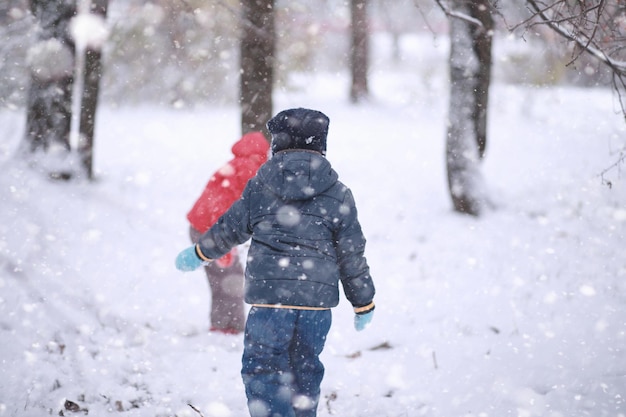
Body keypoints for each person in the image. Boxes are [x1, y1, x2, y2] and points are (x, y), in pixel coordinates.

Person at [175, 108, 376, 417]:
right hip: (316, 304)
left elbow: (231, 227)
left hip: (270, 302)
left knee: (263, 369)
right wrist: (363, 301)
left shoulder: (260, 186)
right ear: (321, 144)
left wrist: (201, 252)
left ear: (277, 144)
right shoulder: (338, 193)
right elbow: (351, 252)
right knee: (305, 370)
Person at [185, 131, 269, 334]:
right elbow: (222, 203)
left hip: (201, 227)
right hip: (210, 231)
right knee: (230, 279)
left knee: (223, 278)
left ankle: (224, 323)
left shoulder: (237, 165)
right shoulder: (249, 167)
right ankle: (229, 326)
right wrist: (220, 243)